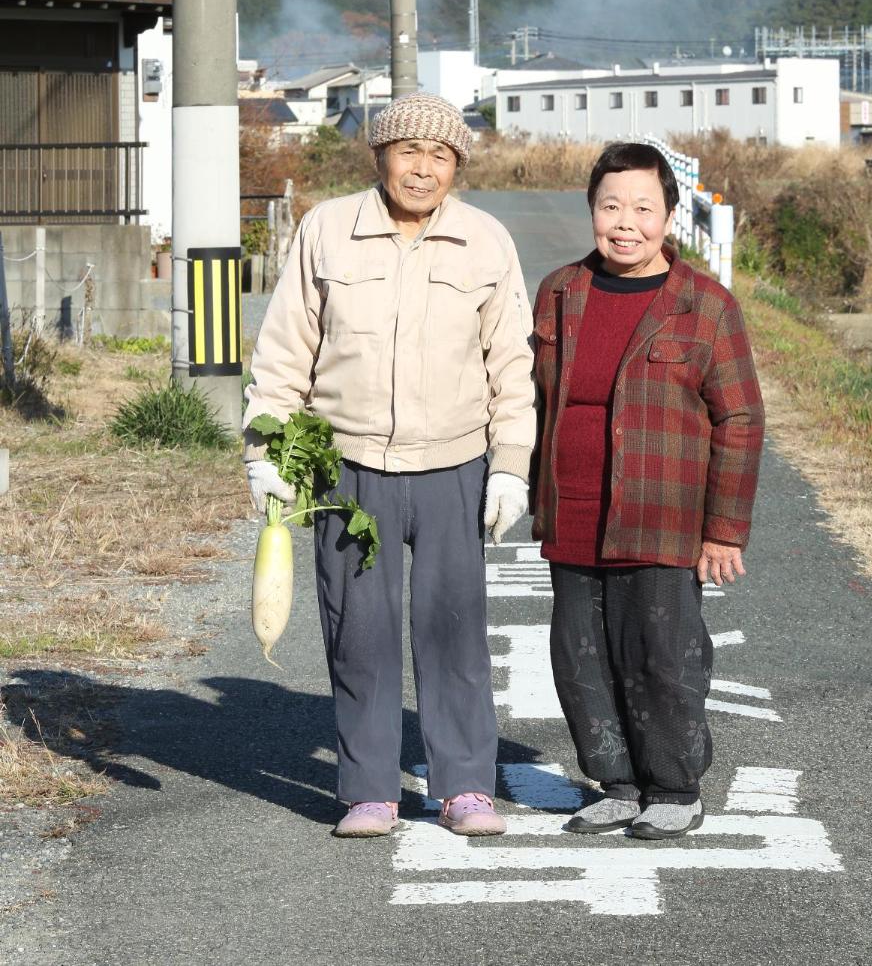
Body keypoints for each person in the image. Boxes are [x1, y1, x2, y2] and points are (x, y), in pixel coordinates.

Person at [243, 92, 534, 839]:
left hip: (455, 465)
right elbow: (284, 351)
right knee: (358, 631)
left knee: (454, 630)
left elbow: (512, 362)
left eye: (440, 155)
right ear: (379, 156)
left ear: (457, 165)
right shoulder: (327, 231)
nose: (423, 168)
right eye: (409, 151)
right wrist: (266, 452)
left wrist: (510, 465)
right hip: (349, 468)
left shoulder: (486, 241)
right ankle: (368, 788)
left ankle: (464, 785)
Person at [531, 141, 764, 841]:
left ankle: (674, 785)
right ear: (592, 212)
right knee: (579, 653)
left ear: (669, 216)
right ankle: (617, 782)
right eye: (610, 207)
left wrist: (724, 528)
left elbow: (742, 418)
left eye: (642, 208)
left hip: (662, 510)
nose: (624, 223)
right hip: (573, 506)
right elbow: (528, 395)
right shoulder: (561, 290)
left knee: (661, 653)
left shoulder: (703, 305)